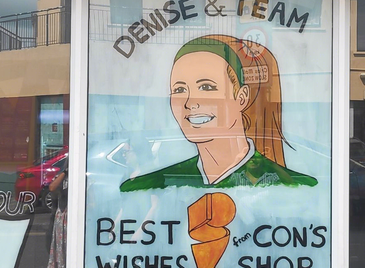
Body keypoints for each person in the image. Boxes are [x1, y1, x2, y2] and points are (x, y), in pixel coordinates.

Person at [120, 34, 316, 192]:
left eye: (206, 87)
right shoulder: (148, 187)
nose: (190, 102)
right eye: (179, 90)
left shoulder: (294, 188)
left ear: (241, 97)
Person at [45, 160, 68, 268]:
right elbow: (52, 188)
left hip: (77, 218)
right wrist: (65, 172)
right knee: (63, 267)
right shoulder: (65, 175)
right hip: (64, 219)